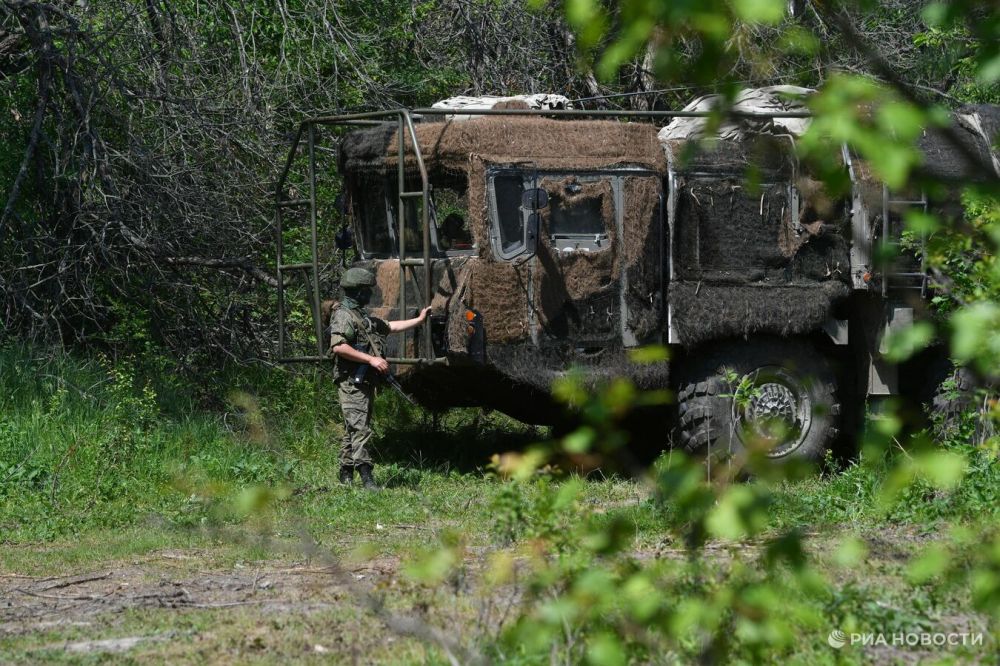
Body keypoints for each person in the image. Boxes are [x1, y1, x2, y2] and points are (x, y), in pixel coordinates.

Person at [328, 267, 431, 489]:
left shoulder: (362, 316)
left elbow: (390, 326)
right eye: (367, 290)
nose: (370, 294)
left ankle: (345, 474)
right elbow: (339, 347)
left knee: (353, 427)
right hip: (351, 381)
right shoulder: (344, 315)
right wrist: (371, 359)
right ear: (358, 291)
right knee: (360, 429)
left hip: (363, 381)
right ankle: (367, 477)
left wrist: (420, 320)